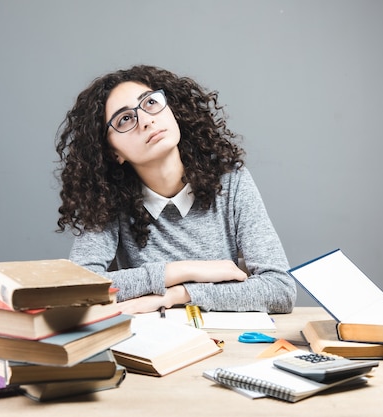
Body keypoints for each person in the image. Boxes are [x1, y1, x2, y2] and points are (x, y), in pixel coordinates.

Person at [55, 65, 296, 314]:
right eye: (125, 119)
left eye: (150, 103)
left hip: (227, 343)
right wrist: (183, 270)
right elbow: (80, 287)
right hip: (152, 345)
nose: (146, 121)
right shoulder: (107, 200)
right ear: (113, 152)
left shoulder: (231, 181)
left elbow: (280, 289)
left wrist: (177, 294)